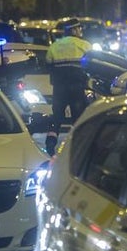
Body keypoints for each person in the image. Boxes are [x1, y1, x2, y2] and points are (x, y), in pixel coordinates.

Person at [45, 18, 93, 155]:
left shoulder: (54, 46)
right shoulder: (85, 45)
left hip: (59, 88)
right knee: (78, 119)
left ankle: (50, 142)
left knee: (57, 117)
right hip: (78, 87)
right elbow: (92, 66)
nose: (81, 31)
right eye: (79, 28)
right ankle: (77, 147)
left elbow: (48, 65)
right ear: (73, 30)